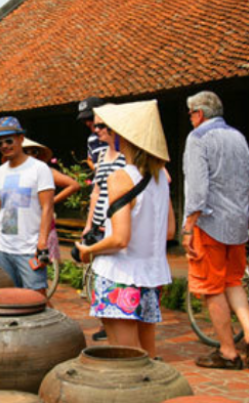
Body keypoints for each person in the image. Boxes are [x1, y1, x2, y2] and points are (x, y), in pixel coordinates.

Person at [74, 100, 175, 358]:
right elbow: (169, 231)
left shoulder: (121, 177)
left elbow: (120, 239)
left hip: (120, 273)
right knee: (148, 355)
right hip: (150, 275)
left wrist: (89, 250)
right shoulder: (161, 177)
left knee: (127, 357)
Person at [183, 91, 249, 370]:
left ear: (199, 114)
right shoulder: (238, 137)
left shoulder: (198, 138)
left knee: (212, 287)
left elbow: (197, 188)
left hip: (209, 223)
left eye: (191, 114)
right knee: (233, 281)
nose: (190, 119)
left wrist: (189, 227)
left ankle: (228, 351)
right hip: (237, 222)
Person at [0, 117, 55, 295]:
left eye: (9, 140)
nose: (4, 145)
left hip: (29, 248)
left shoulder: (39, 168)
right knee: (9, 298)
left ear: (21, 138)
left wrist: (42, 242)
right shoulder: (0, 172)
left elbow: (47, 207)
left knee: (36, 297)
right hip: (3, 248)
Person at [80, 109, 127, 340]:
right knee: (100, 274)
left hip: (116, 223)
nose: (95, 130)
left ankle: (117, 323)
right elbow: (96, 191)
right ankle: (105, 322)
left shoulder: (125, 157)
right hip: (99, 222)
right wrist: (89, 223)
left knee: (115, 274)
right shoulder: (101, 157)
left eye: (100, 127)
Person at [21, 138, 80, 263]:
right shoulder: (13, 173)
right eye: (26, 151)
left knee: (41, 263)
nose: (30, 155)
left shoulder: (46, 171)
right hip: (20, 224)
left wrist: (51, 201)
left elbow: (74, 185)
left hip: (41, 222)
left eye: (34, 152)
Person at [77, 96, 106, 171]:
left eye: (90, 118)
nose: (88, 123)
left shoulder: (118, 135)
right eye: (84, 120)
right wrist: (99, 173)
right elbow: (89, 160)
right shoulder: (91, 139)